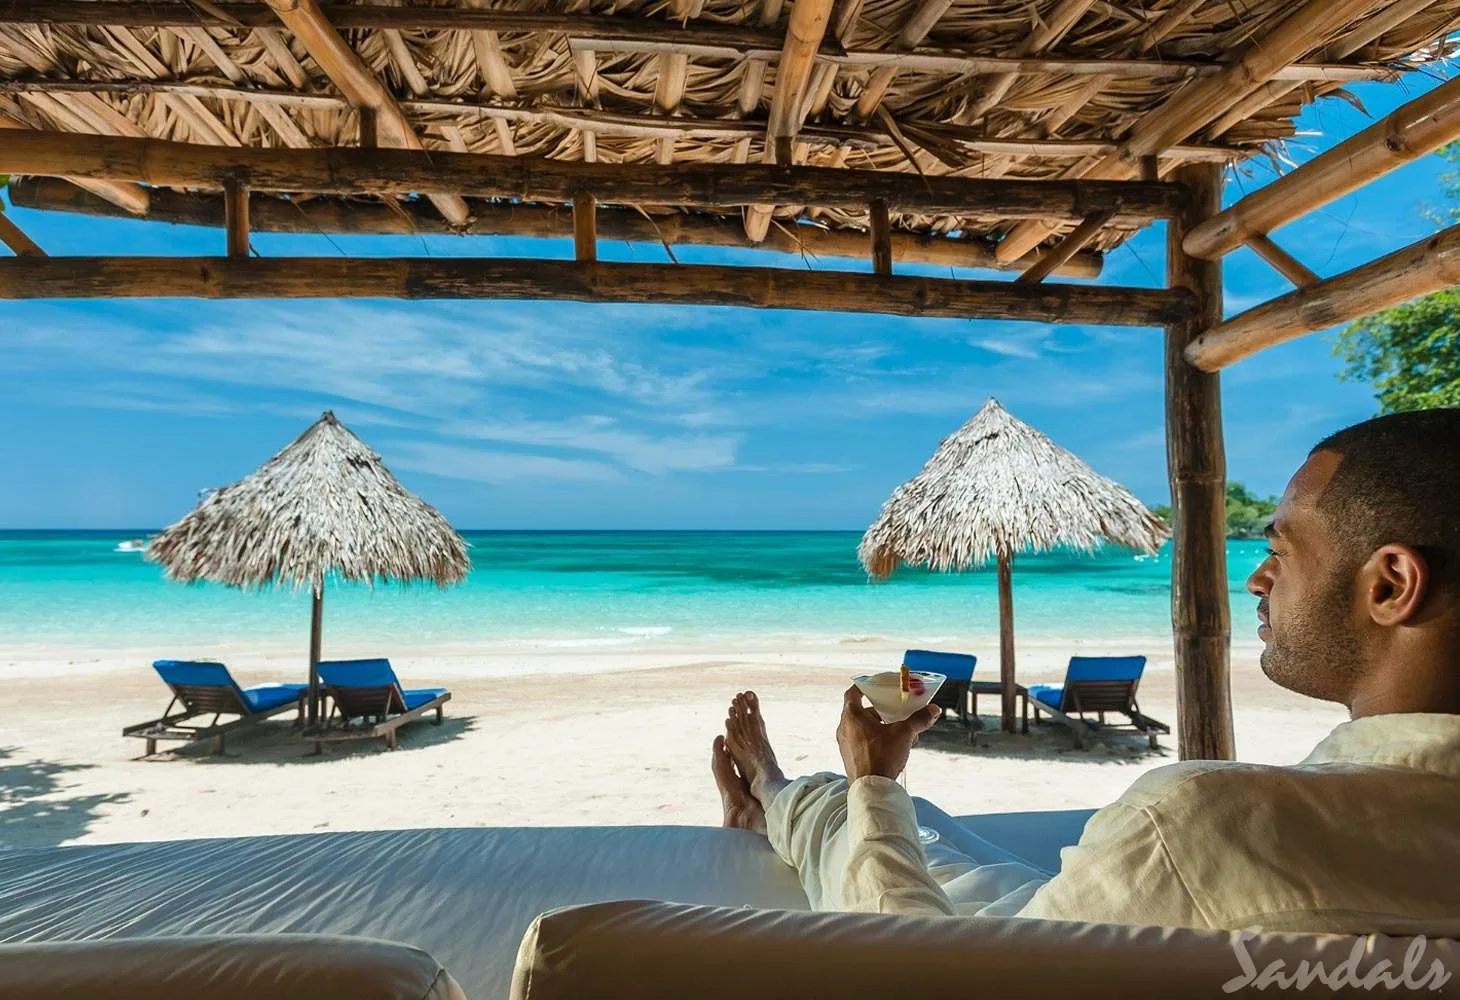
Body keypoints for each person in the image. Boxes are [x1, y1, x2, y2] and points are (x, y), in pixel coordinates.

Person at [710, 409, 1460, 934]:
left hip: (1015, 948)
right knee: (927, 830)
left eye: (1281, 551)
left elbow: (919, 965)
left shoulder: (1201, 823)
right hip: (1098, 921)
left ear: (1391, 585)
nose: (1257, 578)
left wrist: (874, 775)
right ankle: (789, 800)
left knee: (853, 815)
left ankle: (772, 796)